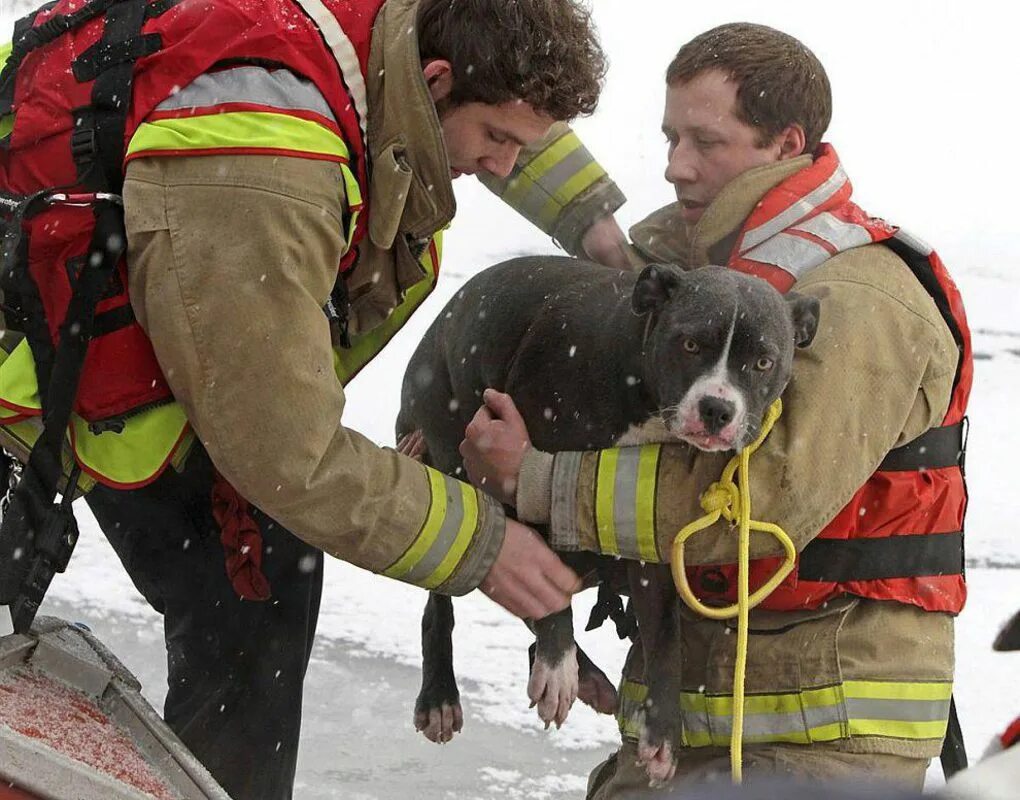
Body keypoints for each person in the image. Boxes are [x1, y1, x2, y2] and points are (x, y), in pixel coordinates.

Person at [0, 0, 629, 796]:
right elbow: (286, 449)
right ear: (434, 83)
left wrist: (598, 229)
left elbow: (500, 90)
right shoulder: (264, 160)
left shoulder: (405, 38)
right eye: (498, 142)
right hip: (47, 371)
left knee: (261, 602)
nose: (504, 165)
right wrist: (485, 545)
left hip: (174, 342)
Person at [459, 22, 972, 796]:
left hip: (815, 732)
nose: (675, 166)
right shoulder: (706, 274)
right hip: (697, 726)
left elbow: (761, 502)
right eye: (669, 137)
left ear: (785, 142)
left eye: (705, 141)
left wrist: (536, 482)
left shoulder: (860, 292)